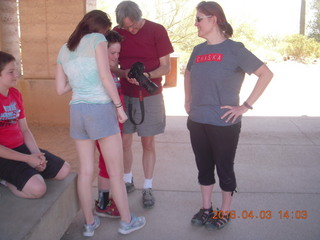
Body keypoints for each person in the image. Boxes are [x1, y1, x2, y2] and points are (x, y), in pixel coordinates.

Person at [55, 10, 145, 237]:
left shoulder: (64, 49)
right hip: (100, 109)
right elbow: (106, 77)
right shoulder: (97, 40)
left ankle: (88, 223)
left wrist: (78, 81)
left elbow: (60, 89)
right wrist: (118, 108)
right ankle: (127, 221)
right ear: (102, 28)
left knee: (85, 172)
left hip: (77, 110)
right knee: (115, 171)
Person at [184, 1, 273, 230]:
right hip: (197, 121)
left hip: (224, 124)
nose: (196, 23)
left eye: (199, 19)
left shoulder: (235, 50)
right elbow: (188, 73)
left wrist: (245, 106)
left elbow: (265, 74)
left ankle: (225, 211)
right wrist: (188, 99)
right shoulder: (198, 50)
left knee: (224, 168)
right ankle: (206, 208)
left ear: (213, 19)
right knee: (203, 167)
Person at [113, 0, 174, 209]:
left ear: (140, 16)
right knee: (124, 142)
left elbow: (166, 67)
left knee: (148, 143)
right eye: (126, 27)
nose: (131, 30)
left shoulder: (157, 30)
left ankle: (148, 186)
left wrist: (146, 75)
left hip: (150, 94)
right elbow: (111, 65)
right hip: (124, 96)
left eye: (134, 25)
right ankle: (127, 180)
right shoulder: (117, 32)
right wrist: (125, 74)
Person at [0, 51, 70, 199]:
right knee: (38, 189)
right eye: (10, 72)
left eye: (16, 70)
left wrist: (36, 155)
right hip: (3, 154)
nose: (16, 75)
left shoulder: (15, 94)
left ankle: (26, 173)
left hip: (21, 147)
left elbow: (25, 130)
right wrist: (27, 159)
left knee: (64, 170)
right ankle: (5, 180)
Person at [95, 30, 124, 218]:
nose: (116, 57)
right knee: (107, 166)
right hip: (107, 127)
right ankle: (103, 204)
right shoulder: (99, 74)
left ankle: (104, 202)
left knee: (106, 165)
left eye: (118, 53)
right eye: (112, 53)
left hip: (114, 127)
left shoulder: (109, 72)